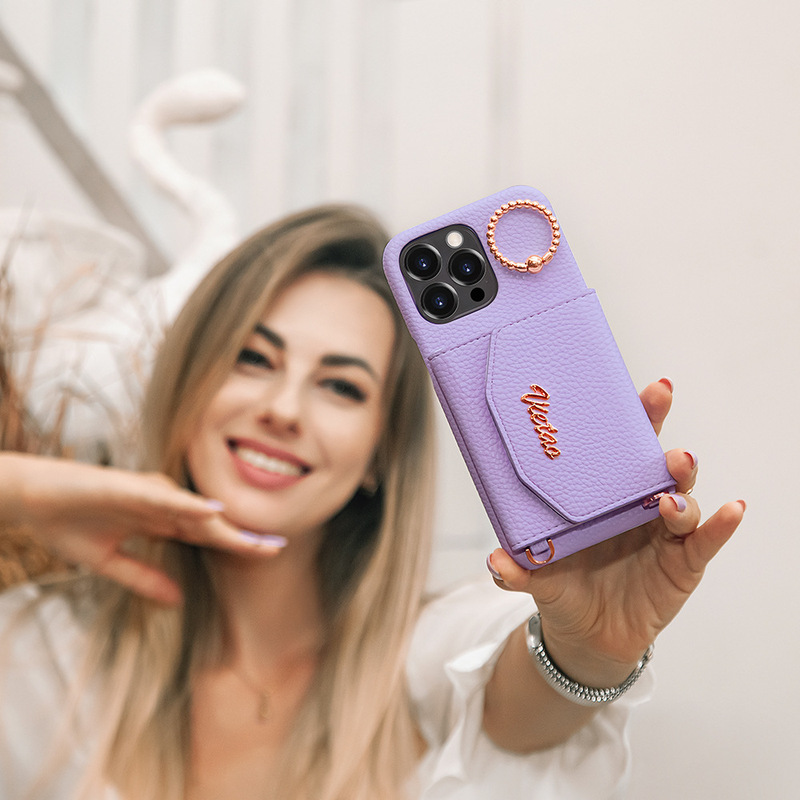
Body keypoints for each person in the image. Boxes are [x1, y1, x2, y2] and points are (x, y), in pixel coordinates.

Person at [0, 204, 744, 800]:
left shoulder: (432, 655)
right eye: (253, 359)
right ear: (188, 380)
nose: (283, 410)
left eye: (341, 386)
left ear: (380, 455)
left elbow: (522, 709)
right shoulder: (43, 653)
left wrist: (589, 650)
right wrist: (21, 489)